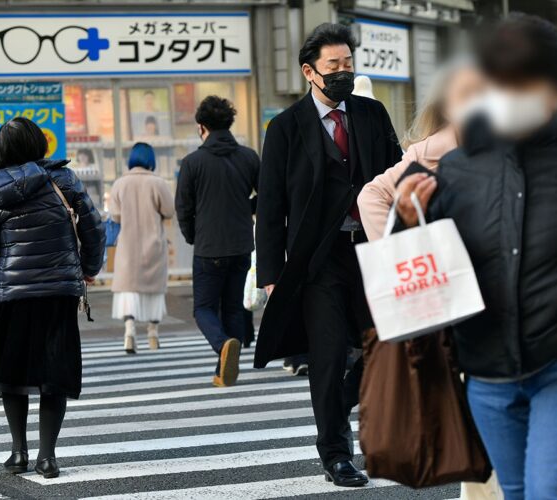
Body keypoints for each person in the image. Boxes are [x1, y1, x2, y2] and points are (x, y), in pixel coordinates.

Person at [394, 14, 557, 499]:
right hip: (487, 366)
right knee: (513, 492)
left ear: (554, 90)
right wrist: (413, 218)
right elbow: (439, 258)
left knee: (552, 489)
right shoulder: (458, 165)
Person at [256, 23, 403, 487]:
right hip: (318, 261)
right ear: (309, 71)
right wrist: (271, 273)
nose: (342, 73)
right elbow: (271, 205)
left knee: (387, 344)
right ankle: (336, 454)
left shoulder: (372, 114)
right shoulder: (284, 128)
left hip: (371, 252)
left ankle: (339, 403)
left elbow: (399, 175)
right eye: (333, 66)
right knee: (326, 354)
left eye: (348, 64)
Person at [0, 117, 104, 478]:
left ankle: (17, 452)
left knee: (12, 374)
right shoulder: (63, 179)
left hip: (13, 294)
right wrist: (88, 268)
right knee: (53, 372)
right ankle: (48, 457)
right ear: (41, 145)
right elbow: (93, 228)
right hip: (59, 292)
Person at [175, 96, 259, 387]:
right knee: (233, 307)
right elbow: (267, 197)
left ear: (202, 127)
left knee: (204, 308)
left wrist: (192, 236)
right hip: (241, 244)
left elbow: (183, 208)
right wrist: (246, 208)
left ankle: (223, 346)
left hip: (209, 246)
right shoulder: (249, 157)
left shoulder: (192, 162)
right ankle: (225, 371)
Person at [358, 60, 483, 240]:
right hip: (449, 261)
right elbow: (371, 196)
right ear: (446, 108)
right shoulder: (426, 154)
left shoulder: (513, 145)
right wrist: (399, 249)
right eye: (466, 94)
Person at [110, 143, 174, 354]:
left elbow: (115, 216)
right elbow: (169, 211)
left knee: (129, 290)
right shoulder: (158, 183)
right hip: (153, 243)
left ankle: (129, 333)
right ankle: (153, 334)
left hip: (128, 245)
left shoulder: (120, 183)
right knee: (154, 290)